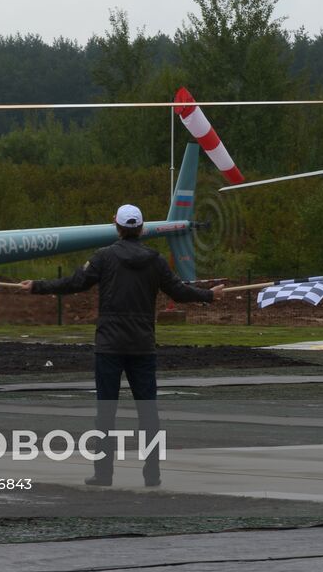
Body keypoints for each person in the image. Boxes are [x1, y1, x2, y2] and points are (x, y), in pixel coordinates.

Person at [20, 204, 227, 487]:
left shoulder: (103, 257)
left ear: (116, 225)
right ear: (141, 229)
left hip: (109, 346)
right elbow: (179, 292)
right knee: (149, 414)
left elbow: (75, 283)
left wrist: (37, 286)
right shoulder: (155, 261)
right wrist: (208, 295)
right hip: (142, 346)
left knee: (105, 413)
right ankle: (152, 474)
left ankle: (103, 474)